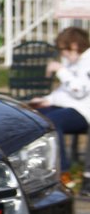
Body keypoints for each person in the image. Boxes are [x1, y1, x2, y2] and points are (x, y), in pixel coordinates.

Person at [30, 27, 90, 174]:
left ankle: (62, 170)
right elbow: (63, 92)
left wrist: (61, 71)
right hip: (68, 107)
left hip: (82, 111)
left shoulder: (87, 61)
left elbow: (79, 92)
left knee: (52, 122)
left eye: (63, 49)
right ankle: (34, 164)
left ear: (74, 45)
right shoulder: (72, 61)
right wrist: (46, 100)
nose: (62, 53)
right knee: (31, 116)